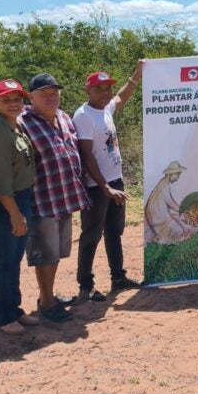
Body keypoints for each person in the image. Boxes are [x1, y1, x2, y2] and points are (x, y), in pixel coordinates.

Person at [19, 73, 90, 323]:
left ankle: (46, 296)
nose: (51, 97)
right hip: (42, 199)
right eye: (45, 93)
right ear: (31, 97)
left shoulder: (65, 118)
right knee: (45, 253)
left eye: (55, 92)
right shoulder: (22, 122)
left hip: (65, 197)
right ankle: (47, 303)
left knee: (57, 252)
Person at [72, 66, 143, 304]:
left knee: (114, 231)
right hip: (97, 185)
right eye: (99, 88)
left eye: (107, 88)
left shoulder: (105, 110)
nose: (105, 92)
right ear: (88, 90)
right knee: (91, 234)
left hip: (114, 180)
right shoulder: (84, 115)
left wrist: (137, 74)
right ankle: (86, 285)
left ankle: (118, 277)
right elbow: (86, 155)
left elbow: (121, 97)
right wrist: (104, 187)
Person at [0, 80, 40, 335]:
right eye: (6, 100)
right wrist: (15, 213)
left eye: (17, 99)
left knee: (14, 259)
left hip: (22, 198)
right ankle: (3, 317)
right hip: (6, 202)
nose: (13, 104)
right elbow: (0, 180)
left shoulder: (14, 125)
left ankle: (14, 309)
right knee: (5, 260)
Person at [144, 161, 194, 244]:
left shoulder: (162, 184)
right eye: (177, 175)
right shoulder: (164, 186)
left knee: (179, 227)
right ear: (171, 174)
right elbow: (171, 204)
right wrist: (184, 210)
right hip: (158, 217)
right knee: (179, 231)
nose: (178, 177)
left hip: (157, 215)